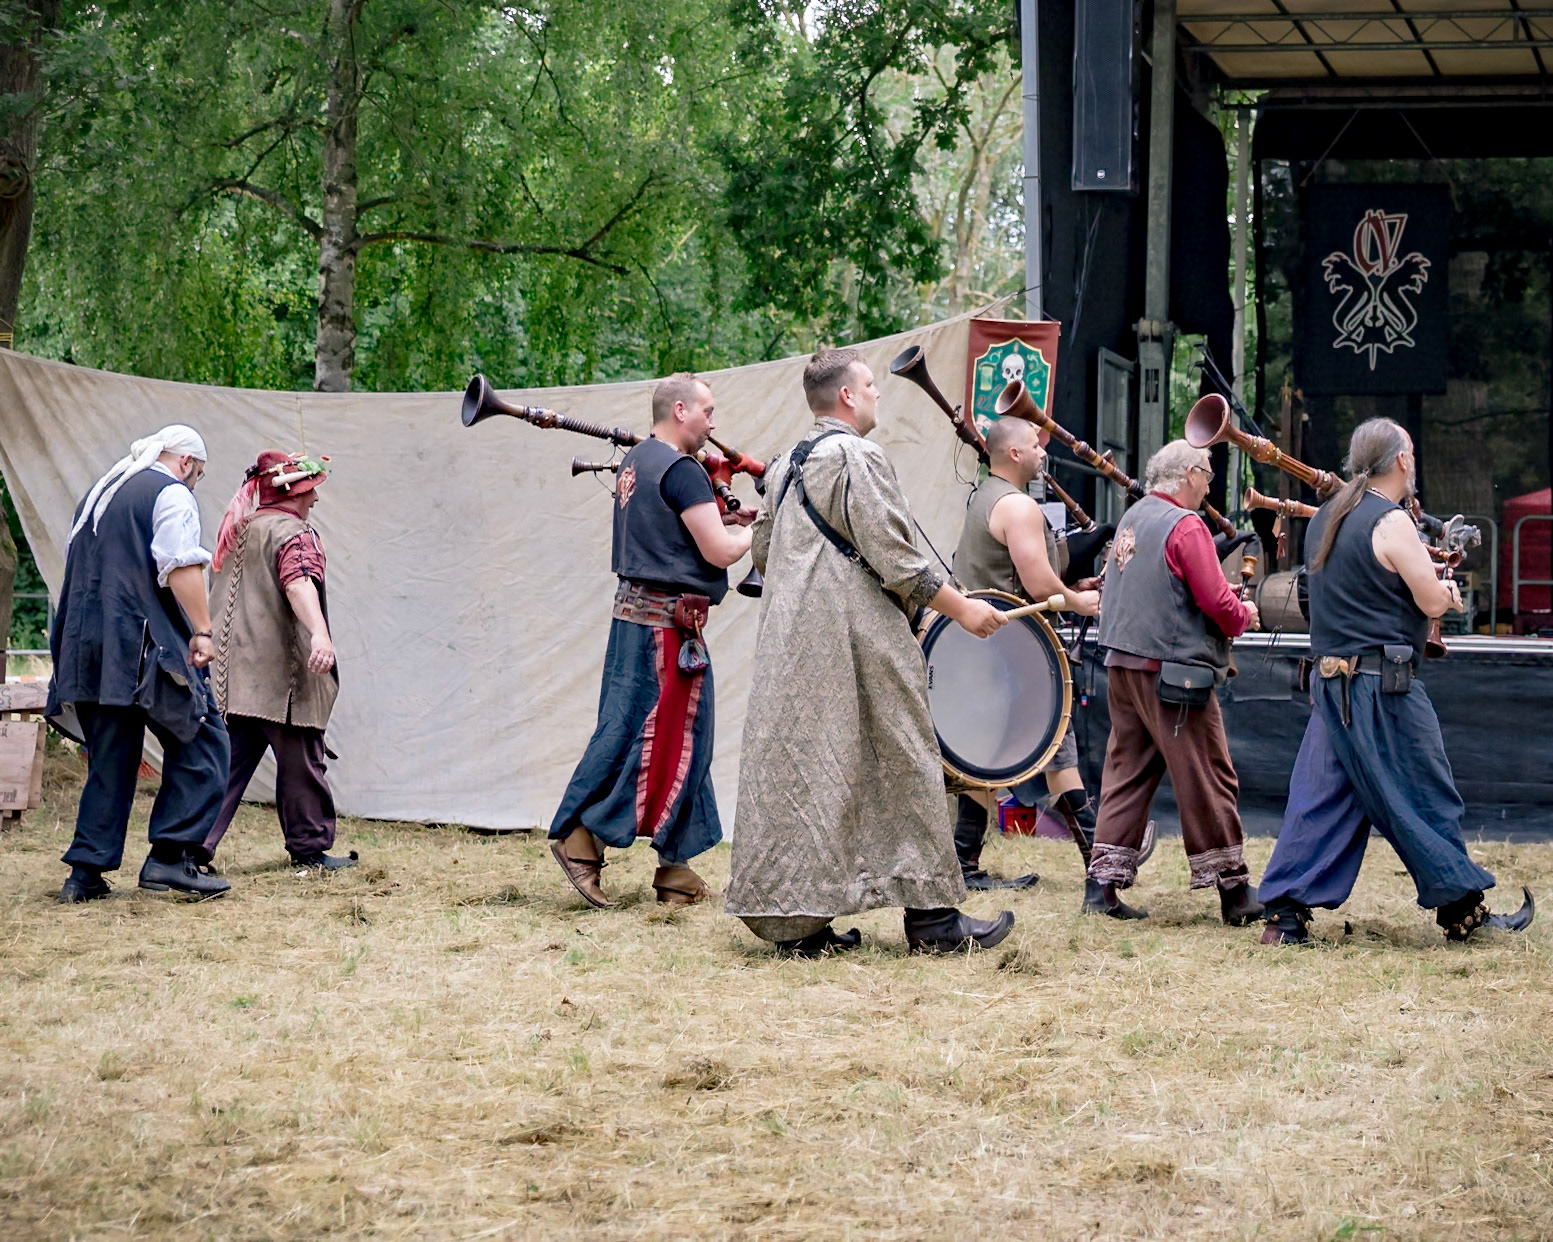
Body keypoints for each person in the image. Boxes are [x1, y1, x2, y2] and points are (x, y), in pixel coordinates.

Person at [726, 346, 1016, 958]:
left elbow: (762, 554)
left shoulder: (781, 467)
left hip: (792, 645)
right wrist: (963, 610)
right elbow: (895, 555)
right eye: (870, 385)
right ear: (849, 396)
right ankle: (934, 922)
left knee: (809, 772)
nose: (878, 394)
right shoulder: (856, 456)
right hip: (858, 636)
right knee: (907, 755)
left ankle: (801, 925)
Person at [1257, 419, 1534, 945]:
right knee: (1426, 794)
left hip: (1332, 683)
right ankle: (1463, 913)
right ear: (1403, 460)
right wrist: (1448, 592)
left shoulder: (1324, 520)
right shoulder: (1392, 523)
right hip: (1382, 689)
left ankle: (1285, 918)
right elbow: (1430, 602)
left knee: (1321, 798)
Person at [549, 373, 755, 909]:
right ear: (680, 410)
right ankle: (583, 840)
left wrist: (726, 518)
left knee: (663, 736)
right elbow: (719, 554)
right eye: (707, 411)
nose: (714, 422)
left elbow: (672, 531)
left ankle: (676, 869)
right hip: (667, 632)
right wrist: (759, 529)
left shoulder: (638, 460)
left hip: (638, 625)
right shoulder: (684, 470)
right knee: (658, 745)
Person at [46, 425, 232, 902]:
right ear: (187, 463)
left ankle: (84, 875)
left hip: (88, 648)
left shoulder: (100, 492)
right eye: (199, 475)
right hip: (143, 646)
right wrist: (203, 631)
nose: (195, 484)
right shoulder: (169, 492)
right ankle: (171, 858)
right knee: (205, 736)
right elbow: (180, 566)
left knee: (111, 759)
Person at [1086, 440, 1264, 925]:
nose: (1209, 484)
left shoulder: (1133, 517)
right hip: (1173, 677)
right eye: (1206, 474)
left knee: (1126, 775)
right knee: (1208, 774)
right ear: (1188, 474)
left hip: (1123, 667)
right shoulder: (1186, 526)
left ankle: (1100, 887)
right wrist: (1244, 611)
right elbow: (1220, 608)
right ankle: (1234, 891)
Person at [949, 415, 1106, 898]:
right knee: (1057, 749)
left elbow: (1016, 575)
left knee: (984, 755)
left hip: (983, 649)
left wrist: (1070, 586)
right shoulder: (1017, 506)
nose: (1043, 452)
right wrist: (1078, 600)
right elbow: (1038, 586)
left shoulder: (984, 496)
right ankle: (1100, 864)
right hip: (1013, 651)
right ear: (1014, 454)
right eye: (1036, 445)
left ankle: (964, 865)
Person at [198, 450, 354, 871]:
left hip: (233, 678)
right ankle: (309, 849)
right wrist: (320, 634)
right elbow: (298, 582)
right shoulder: (293, 533)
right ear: (292, 494)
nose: (315, 500)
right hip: (282, 677)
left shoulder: (237, 530)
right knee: (302, 762)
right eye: (309, 493)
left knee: (224, 767)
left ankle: (192, 846)